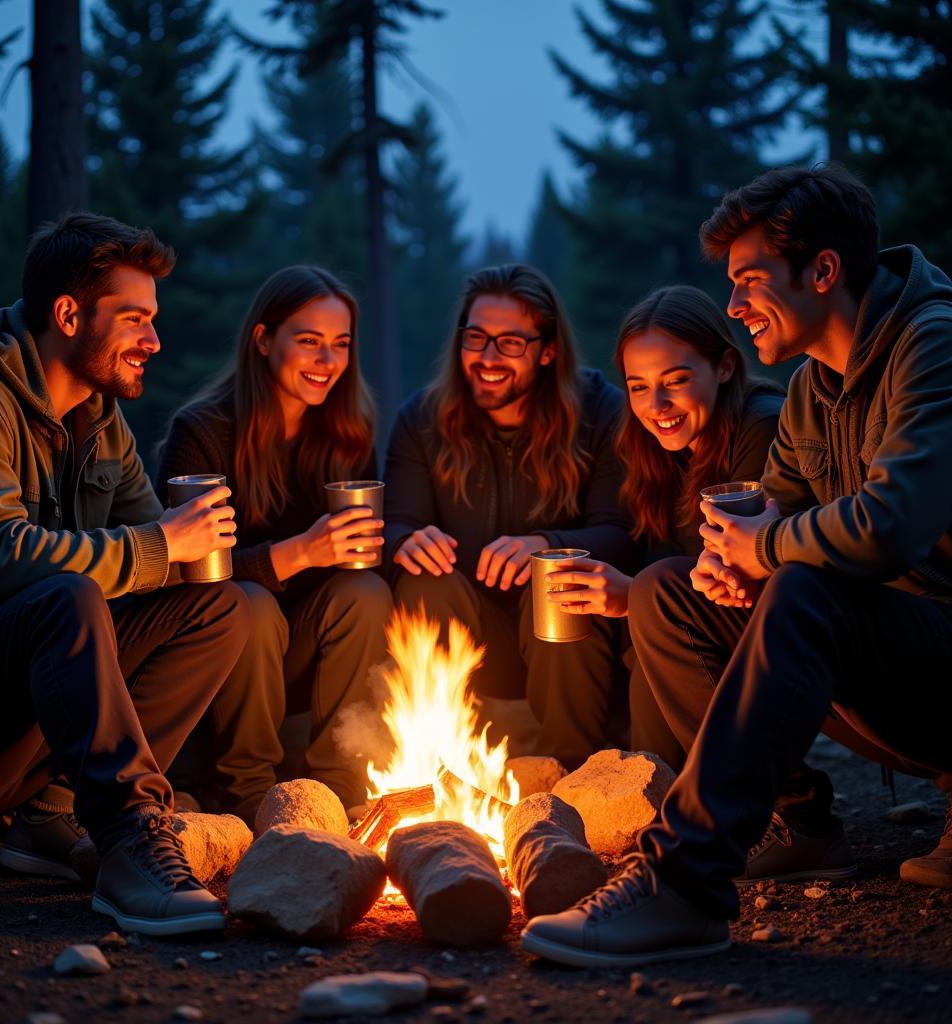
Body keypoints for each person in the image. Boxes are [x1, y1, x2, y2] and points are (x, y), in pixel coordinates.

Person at [521, 164, 952, 969]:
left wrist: (765, 553)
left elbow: (892, 526)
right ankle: (800, 827)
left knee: (800, 585)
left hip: (935, 650)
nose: (734, 304)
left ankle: (684, 885)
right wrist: (732, 566)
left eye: (750, 281)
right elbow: (769, 517)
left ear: (823, 271)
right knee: (673, 595)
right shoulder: (811, 391)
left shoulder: (933, 342)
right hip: (889, 656)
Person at [0, 212, 250, 936]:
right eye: (134, 318)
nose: (154, 340)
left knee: (222, 606)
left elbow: (154, 557)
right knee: (66, 597)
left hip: (28, 738)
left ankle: (51, 817)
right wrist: (161, 545)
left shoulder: (99, 416)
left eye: (155, 319)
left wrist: (195, 548)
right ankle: (129, 839)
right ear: (69, 315)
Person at [158, 266, 391, 823]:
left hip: (304, 655)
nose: (327, 361)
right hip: (219, 658)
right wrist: (301, 552)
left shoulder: (347, 434)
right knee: (253, 606)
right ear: (264, 341)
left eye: (340, 345)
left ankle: (340, 789)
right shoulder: (204, 432)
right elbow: (184, 576)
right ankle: (252, 797)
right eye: (308, 341)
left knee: (365, 590)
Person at [383, 263, 639, 770]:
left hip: (565, 648)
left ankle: (573, 773)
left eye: (510, 343)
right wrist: (404, 541)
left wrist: (546, 543)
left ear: (547, 350)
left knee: (560, 578)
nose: (488, 357)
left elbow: (624, 534)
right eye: (476, 337)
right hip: (468, 631)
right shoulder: (422, 419)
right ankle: (437, 768)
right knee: (423, 580)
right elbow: (394, 522)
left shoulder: (599, 412)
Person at [541, 285, 783, 769]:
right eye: (638, 387)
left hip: (770, 628)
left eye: (675, 380)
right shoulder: (656, 448)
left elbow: (737, 580)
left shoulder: (761, 429)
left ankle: (682, 803)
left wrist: (632, 594)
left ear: (724, 367)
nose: (657, 405)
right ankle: (603, 787)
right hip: (687, 629)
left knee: (649, 616)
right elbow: (658, 560)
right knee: (586, 609)